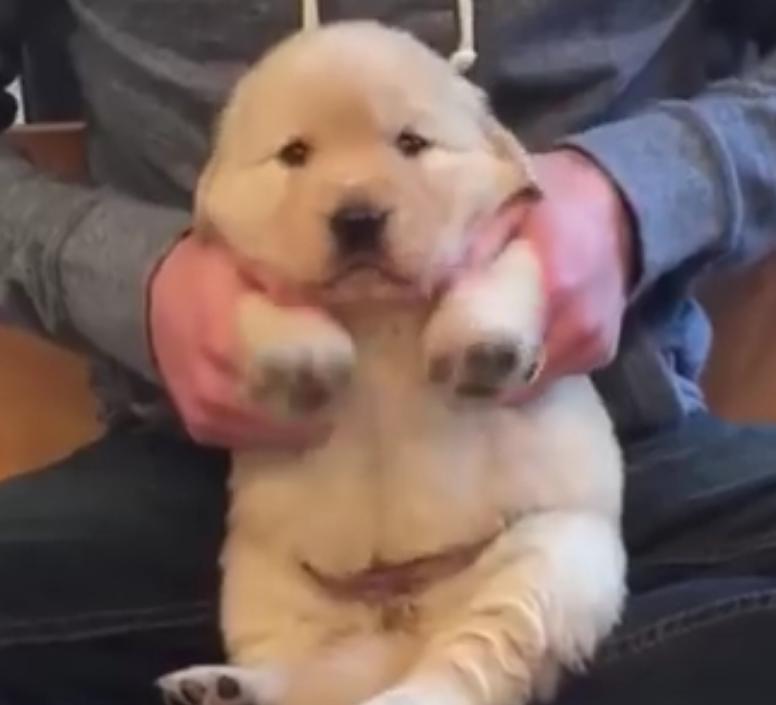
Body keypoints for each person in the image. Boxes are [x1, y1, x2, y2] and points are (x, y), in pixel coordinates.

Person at [1, 1, 776, 703]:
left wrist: (645, 191)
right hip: (207, 481)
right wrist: (118, 273)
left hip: (605, 460)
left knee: (589, 590)